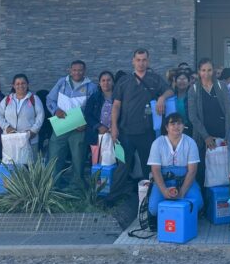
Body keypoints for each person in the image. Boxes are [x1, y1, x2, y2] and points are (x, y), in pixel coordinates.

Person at [111, 48, 173, 181]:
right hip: (126, 131)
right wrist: (114, 126)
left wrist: (162, 98)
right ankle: (116, 193)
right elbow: (116, 105)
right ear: (133, 61)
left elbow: (170, 91)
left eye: (144, 60)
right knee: (123, 166)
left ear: (148, 61)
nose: (141, 63)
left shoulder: (155, 79)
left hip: (146, 131)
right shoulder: (124, 81)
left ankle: (148, 192)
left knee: (148, 166)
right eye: (138, 60)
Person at [46, 59, 98, 192]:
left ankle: (76, 186)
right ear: (70, 70)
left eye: (80, 70)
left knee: (78, 157)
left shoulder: (91, 87)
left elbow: (94, 109)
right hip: (61, 125)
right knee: (55, 155)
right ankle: (52, 185)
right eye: (74, 70)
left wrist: (86, 123)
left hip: (79, 128)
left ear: (84, 71)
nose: (77, 73)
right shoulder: (61, 82)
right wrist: (55, 110)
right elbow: (50, 99)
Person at [83, 70, 131, 201]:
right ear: (99, 83)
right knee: (99, 164)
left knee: (118, 163)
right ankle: (99, 192)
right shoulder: (95, 97)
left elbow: (125, 115)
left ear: (113, 82)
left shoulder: (120, 97)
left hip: (117, 136)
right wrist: (99, 126)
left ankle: (114, 190)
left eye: (109, 80)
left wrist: (115, 127)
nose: (106, 83)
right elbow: (87, 115)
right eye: (103, 80)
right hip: (98, 136)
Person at [147, 112, 203, 216]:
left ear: (183, 126)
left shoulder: (190, 142)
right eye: (172, 124)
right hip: (164, 179)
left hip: (185, 179)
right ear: (166, 127)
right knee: (154, 209)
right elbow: (155, 170)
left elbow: (192, 171)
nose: (176, 126)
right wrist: (164, 191)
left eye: (179, 123)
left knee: (198, 204)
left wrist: (181, 193)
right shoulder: (157, 143)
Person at [188, 58, 230, 186]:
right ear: (199, 71)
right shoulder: (193, 89)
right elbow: (192, 116)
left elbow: (229, 112)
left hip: (222, 134)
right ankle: (204, 198)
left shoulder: (221, 86)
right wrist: (206, 137)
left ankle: (222, 198)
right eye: (203, 70)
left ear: (213, 71)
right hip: (202, 136)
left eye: (209, 70)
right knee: (203, 171)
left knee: (223, 170)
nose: (206, 74)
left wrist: (228, 135)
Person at [0, 74, 45, 162]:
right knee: (11, 165)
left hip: (29, 139)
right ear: (13, 86)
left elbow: (40, 116)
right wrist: (6, 127)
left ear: (27, 84)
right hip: (10, 140)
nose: (20, 86)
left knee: (29, 166)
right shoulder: (7, 99)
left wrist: (33, 131)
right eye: (17, 84)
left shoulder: (34, 99)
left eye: (23, 83)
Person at [172, 69, 193, 137]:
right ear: (175, 83)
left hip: (189, 128)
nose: (182, 81)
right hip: (174, 128)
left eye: (184, 79)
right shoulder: (171, 97)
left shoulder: (193, 96)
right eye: (179, 79)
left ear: (189, 82)